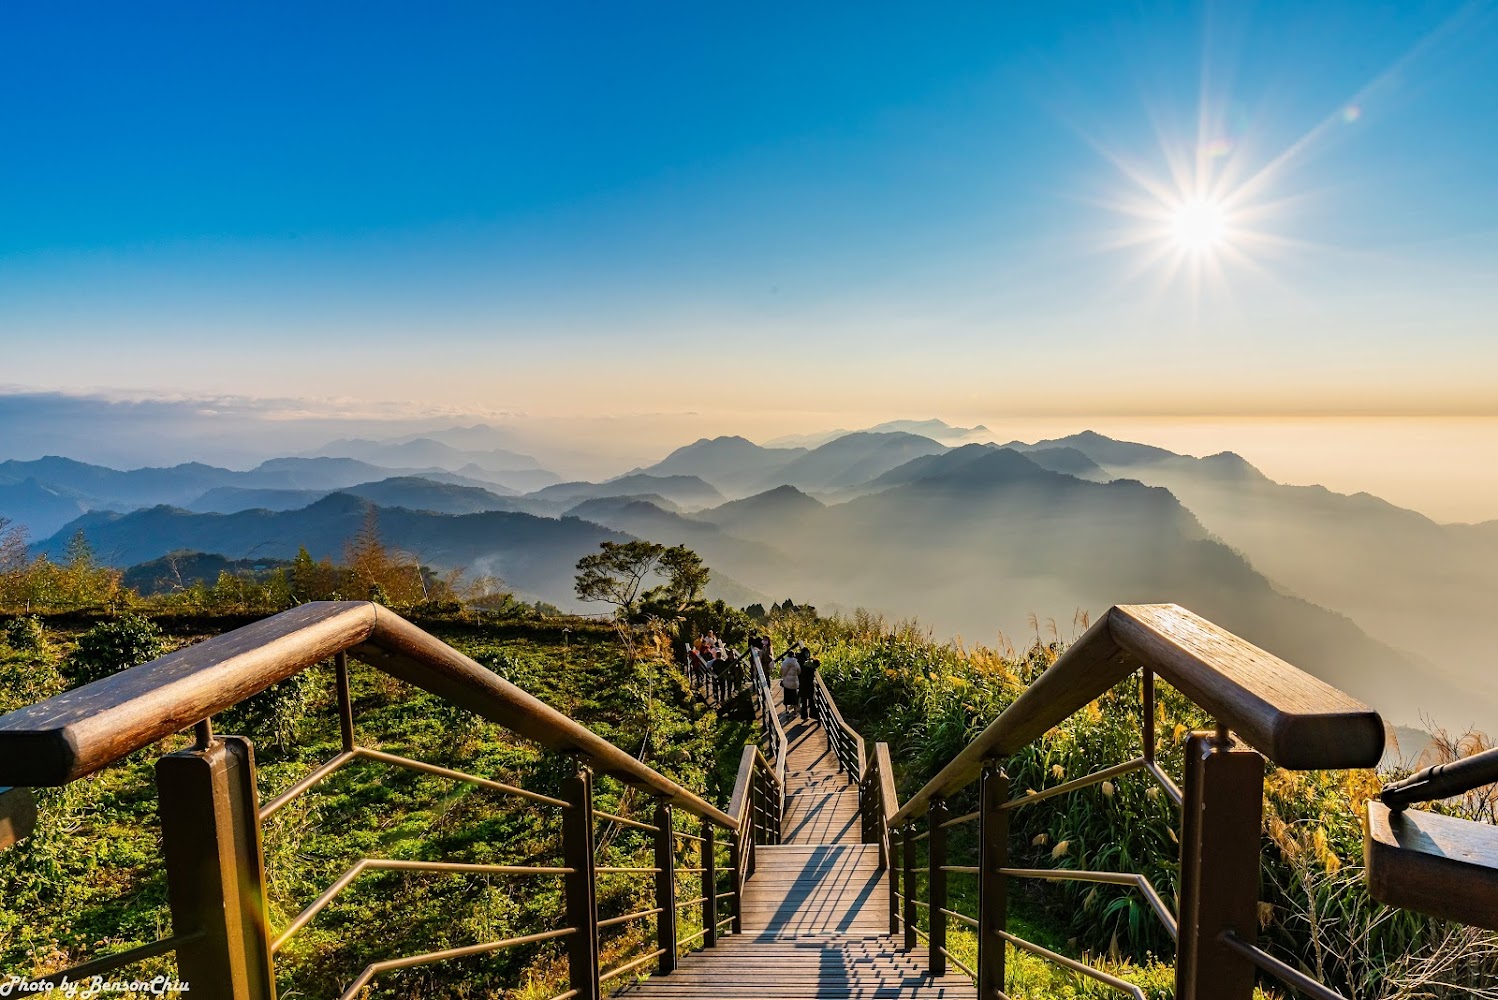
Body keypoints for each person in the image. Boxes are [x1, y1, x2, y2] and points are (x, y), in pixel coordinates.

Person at [779, 648, 801, 722]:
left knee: (786, 696)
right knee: (794, 697)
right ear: (794, 655)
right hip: (794, 683)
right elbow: (799, 671)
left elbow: (781, 671)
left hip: (786, 683)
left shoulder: (784, 662)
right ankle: (795, 711)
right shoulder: (796, 663)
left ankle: (787, 710)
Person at [799, 650, 820, 722]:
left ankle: (804, 716)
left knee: (804, 702)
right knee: (811, 701)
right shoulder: (811, 669)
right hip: (809, 686)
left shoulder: (805, 665)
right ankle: (813, 715)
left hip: (802, 685)